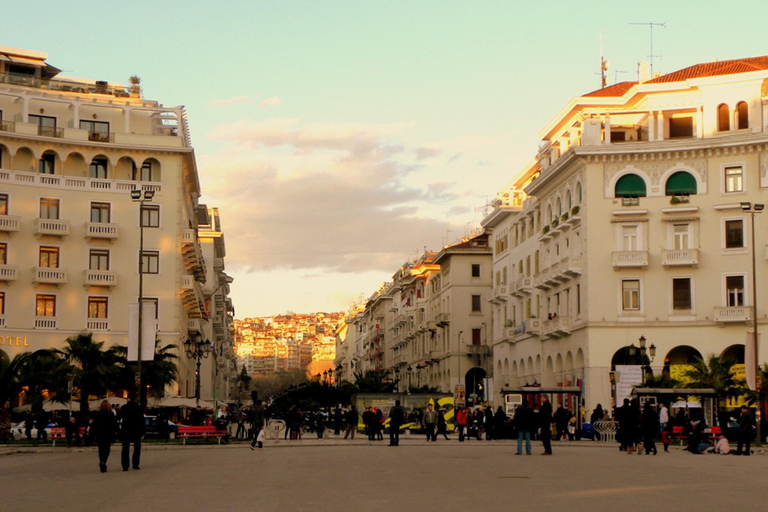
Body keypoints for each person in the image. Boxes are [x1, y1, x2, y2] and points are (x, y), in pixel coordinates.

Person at [120, 394, 144, 471]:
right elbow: (142, 419)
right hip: (136, 429)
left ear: (128, 398)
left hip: (126, 429)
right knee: (137, 447)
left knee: (125, 448)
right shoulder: (139, 408)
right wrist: (142, 430)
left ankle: (125, 465)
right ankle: (135, 464)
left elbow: (121, 417)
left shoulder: (124, 407)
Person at [92, 400, 117, 473]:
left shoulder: (98, 414)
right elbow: (114, 424)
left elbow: (94, 425)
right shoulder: (111, 414)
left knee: (101, 449)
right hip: (108, 434)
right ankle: (104, 461)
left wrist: (93, 434)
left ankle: (101, 460)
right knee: (107, 449)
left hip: (100, 434)